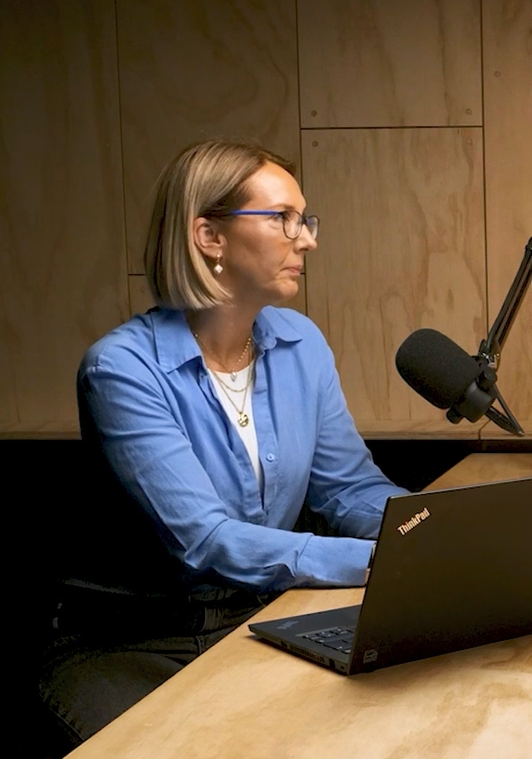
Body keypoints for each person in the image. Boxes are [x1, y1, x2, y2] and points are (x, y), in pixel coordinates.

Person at [38, 140, 407, 752]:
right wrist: (375, 562)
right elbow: (204, 540)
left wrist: (427, 529)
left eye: (305, 219)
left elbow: (348, 489)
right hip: (132, 646)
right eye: (283, 218)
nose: (307, 240)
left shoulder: (301, 343)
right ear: (209, 236)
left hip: (257, 621)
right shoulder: (121, 370)